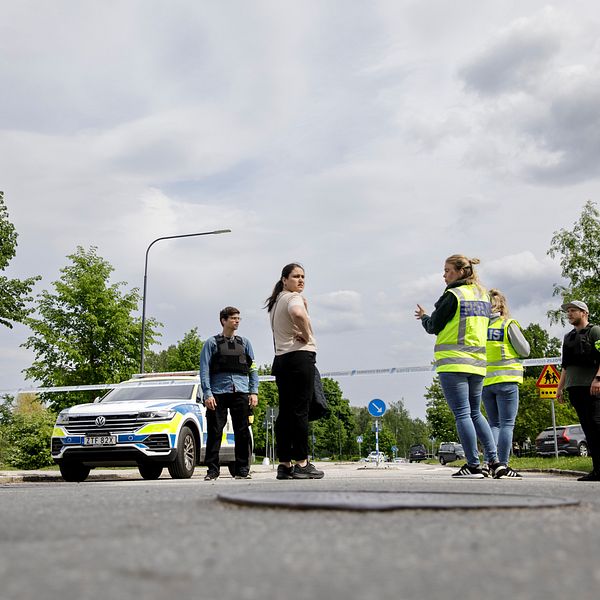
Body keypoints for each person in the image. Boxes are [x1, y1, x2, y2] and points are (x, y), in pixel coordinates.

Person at [415, 254, 500, 478]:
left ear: (462, 272)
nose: (444, 275)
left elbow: (434, 326)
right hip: (478, 364)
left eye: (447, 270)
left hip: (454, 362)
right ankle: (494, 461)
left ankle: (473, 464)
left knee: (462, 414)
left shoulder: (453, 295)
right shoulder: (484, 296)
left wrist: (424, 317)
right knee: (476, 413)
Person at [265, 263, 324, 480]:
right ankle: (302, 463)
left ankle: (284, 464)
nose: (301, 280)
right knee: (300, 411)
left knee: (286, 413)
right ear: (284, 279)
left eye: (303, 277)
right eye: (296, 276)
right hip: (299, 358)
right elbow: (297, 313)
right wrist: (307, 335)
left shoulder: (276, 301)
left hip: (281, 360)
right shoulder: (292, 298)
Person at [199, 306, 258, 480]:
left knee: (242, 431)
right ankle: (212, 470)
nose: (237, 321)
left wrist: (253, 391)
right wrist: (207, 393)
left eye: (239, 318)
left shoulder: (245, 343)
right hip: (218, 393)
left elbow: (253, 368)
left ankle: (242, 470)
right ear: (224, 320)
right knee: (215, 431)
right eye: (233, 318)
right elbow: (204, 370)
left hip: (241, 391)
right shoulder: (211, 343)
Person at [481, 289, 530, 479]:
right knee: (507, 424)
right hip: (507, 381)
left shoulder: (480, 327)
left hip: (486, 382)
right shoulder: (507, 324)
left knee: (493, 424)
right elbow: (524, 350)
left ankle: (488, 462)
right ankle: (502, 464)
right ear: (502, 305)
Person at [556, 300, 600, 481]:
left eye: (573, 310)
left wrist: (598, 378)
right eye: (568, 311)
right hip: (574, 388)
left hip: (593, 387)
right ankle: (597, 470)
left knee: (597, 427)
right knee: (588, 430)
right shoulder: (568, 337)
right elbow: (565, 366)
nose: (569, 314)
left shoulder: (595, 331)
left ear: (584, 312)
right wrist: (559, 388)